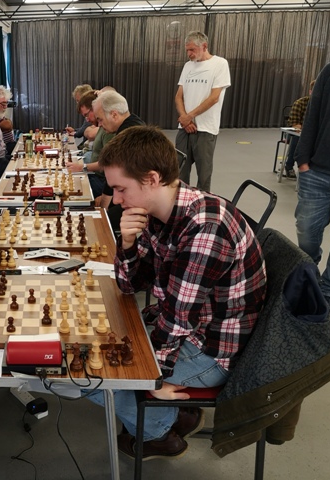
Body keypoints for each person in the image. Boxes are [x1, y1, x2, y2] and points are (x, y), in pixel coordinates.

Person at [89, 125, 266, 459]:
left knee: (91, 375)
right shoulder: (158, 211)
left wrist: (151, 380)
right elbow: (129, 286)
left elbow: (178, 319)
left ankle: (159, 431)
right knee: (98, 346)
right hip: (188, 327)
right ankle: (178, 414)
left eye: (121, 189)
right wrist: (127, 244)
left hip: (212, 351)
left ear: (152, 179)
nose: (117, 199)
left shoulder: (206, 228)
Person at [294, 60, 330, 312]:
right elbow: (312, 115)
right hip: (317, 171)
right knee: (307, 234)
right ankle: (309, 276)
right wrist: (302, 161)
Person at [175, 31, 231, 192]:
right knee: (179, 171)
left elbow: (214, 98)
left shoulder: (220, 64)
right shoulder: (188, 66)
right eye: (187, 50)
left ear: (204, 46)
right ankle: (181, 202)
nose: (189, 54)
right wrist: (185, 119)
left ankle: (202, 204)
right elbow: (178, 96)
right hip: (185, 128)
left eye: (192, 50)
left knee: (204, 175)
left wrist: (189, 117)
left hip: (206, 128)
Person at [90, 90, 145, 227]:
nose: (99, 125)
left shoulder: (128, 134)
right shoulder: (132, 122)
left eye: (100, 119)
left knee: (101, 224)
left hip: (141, 199)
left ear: (114, 115)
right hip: (134, 192)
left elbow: (114, 173)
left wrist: (103, 208)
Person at [66, 90, 115, 197]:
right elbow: (87, 131)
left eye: (87, 115)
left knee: (70, 191)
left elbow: (108, 164)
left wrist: (82, 167)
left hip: (100, 180)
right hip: (94, 175)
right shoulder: (101, 126)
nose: (87, 119)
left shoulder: (108, 129)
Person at [283, 80, 316, 179]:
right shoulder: (300, 103)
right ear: (310, 92)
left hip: (313, 134)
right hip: (293, 132)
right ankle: (289, 166)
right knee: (297, 139)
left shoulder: (324, 105)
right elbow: (295, 124)